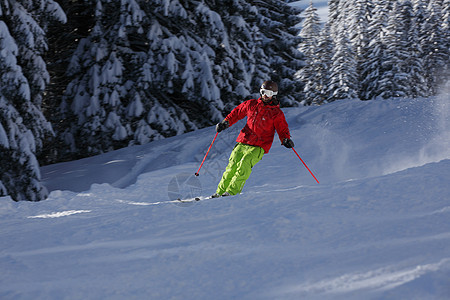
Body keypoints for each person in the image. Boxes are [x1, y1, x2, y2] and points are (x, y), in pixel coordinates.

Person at [212, 80, 295, 198]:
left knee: (244, 163)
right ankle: (219, 192)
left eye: (269, 93)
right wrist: (225, 123)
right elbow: (237, 113)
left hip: (260, 145)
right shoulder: (251, 104)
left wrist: (285, 139)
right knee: (232, 165)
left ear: (274, 95)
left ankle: (232, 192)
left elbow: (282, 129)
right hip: (244, 140)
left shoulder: (276, 113)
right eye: (264, 92)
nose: (266, 95)